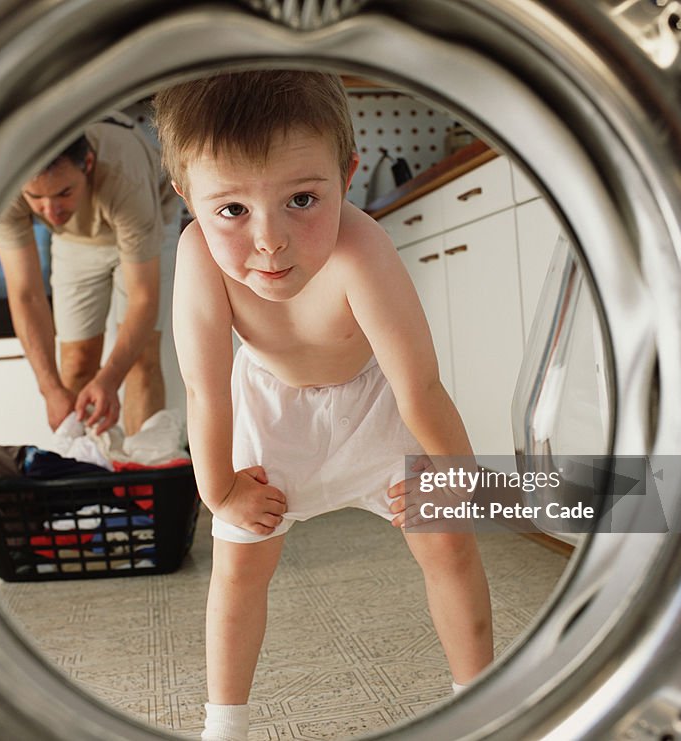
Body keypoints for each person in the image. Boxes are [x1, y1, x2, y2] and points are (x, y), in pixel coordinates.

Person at [154, 70, 494, 741]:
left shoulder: (362, 248)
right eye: (232, 211)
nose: (270, 240)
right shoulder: (197, 257)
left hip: (375, 405)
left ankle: (481, 701)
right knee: (240, 565)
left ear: (347, 174)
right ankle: (223, 725)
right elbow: (204, 385)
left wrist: (459, 475)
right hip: (268, 412)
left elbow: (419, 385)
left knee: (448, 542)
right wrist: (220, 489)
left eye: (303, 199)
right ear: (187, 199)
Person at [0, 115, 179, 435]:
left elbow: (142, 297)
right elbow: (26, 294)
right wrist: (49, 389)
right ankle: (85, 478)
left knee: (139, 360)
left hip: (147, 221)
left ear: (87, 163)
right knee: (76, 364)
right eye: (35, 198)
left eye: (63, 192)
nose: (50, 211)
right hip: (75, 240)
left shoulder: (123, 175)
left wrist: (109, 379)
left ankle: (141, 475)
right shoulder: (5, 190)